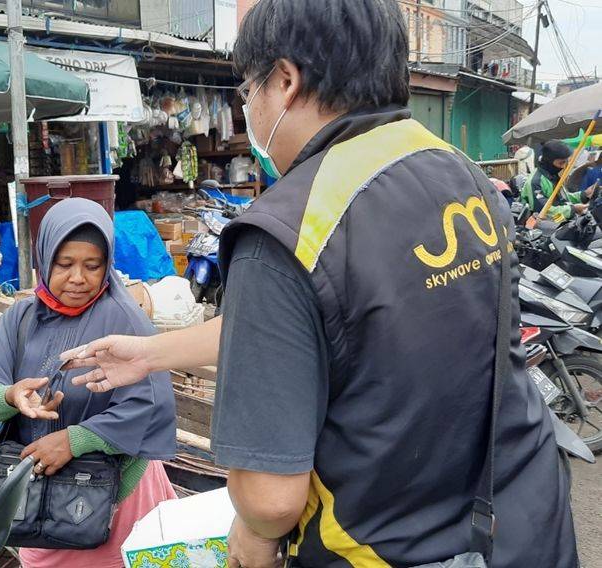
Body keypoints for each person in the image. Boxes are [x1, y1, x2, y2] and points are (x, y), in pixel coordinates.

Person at [62, 1, 579, 567]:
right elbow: (325, 324)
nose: (247, 109)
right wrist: (149, 355)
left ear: (284, 81)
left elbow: (270, 498)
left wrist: (254, 535)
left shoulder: (288, 227)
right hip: (527, 520)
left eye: (246, 89)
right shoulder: (460, 172)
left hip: (381, 549)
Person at [0, 198, 177, 568]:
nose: (78, 278)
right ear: (45, 259)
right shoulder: (20, 319)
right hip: (38, 496)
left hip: (118, 495)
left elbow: (150, 404)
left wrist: (73, 440)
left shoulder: (126, 320)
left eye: (92, 266)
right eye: (64, 264)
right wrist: (11, 395)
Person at [521, 140, 590, 221]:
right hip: (543, 226)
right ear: (548, 161)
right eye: (560, 163)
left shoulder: (552, 175)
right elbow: (543, 211)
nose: (563, 166)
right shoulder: (536, 181)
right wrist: (573, 209)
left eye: (565, 162)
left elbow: (562, 198)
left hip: (560, 221)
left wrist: (584, 195)